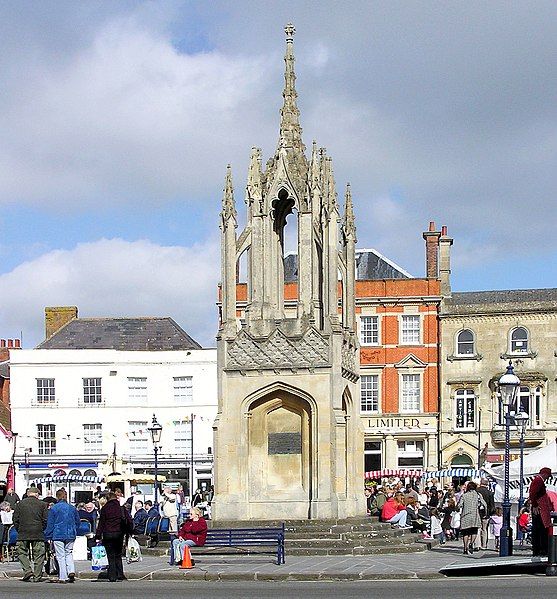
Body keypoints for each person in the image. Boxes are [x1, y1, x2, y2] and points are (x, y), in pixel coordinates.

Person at [44, 488, 81, 584]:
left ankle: (63, 576)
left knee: (60, 556)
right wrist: (74, 529)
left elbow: (50, 524)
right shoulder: (72, 508)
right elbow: (78, 521)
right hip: (70, 533)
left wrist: (48, 536)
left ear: (57, 497)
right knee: (69, 553)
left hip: (58, 533)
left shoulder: (54, 508)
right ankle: (71, 570)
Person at [13, 486, 49, 582]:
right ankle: (37, 576)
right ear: (37, 494)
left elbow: (15, 519)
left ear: (28, 494)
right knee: (39, 555)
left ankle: (27, 570)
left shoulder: (20, 504)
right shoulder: (42, 504)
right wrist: (41, 528)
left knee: (21, 553)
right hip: (38, 532)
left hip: (23, 532)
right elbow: (45, 520)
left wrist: (19, 529)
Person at [95, 491, 131, 582]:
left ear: (108, 499)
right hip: (119, 534)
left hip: (107, 534)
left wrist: (98, 535)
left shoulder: (105, 508)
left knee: (110, 555)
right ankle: (120, 574)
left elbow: (101, 523)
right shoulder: (121, 508)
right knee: (118, 554)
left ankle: (112, 575)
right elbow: (129, 521)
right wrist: (129, 532)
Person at [457, 481, 486, 555]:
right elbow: (484, 504)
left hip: (465, 516)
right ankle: (471, 543)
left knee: (465, 533)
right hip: (475, 515)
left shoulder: (464, 495)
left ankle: (465, 548)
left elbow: (459, 505)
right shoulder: (478, 495)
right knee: (474, 531)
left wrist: (458, 507)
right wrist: (484, 513)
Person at [529, 466, 552, 557]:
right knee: (540, 529)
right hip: (540, 510)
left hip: (540, 508)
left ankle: (540, 549)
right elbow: (533, 493)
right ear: (545, 474)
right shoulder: (538, 481)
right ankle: (540, 550)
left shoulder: (538, 480)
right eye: (548, 476)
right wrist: (535, 505)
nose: (547, 478)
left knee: (540, 529)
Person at [477, 478, 495, 550]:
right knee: (484, 529)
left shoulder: (476, 491)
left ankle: (477, 545)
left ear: (481, 482)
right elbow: (492, 505)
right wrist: (490, 513)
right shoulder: (489, 493)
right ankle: (484, 545)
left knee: (478, 529)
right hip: (486, 513)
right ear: (487, 484)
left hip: (477, 513)